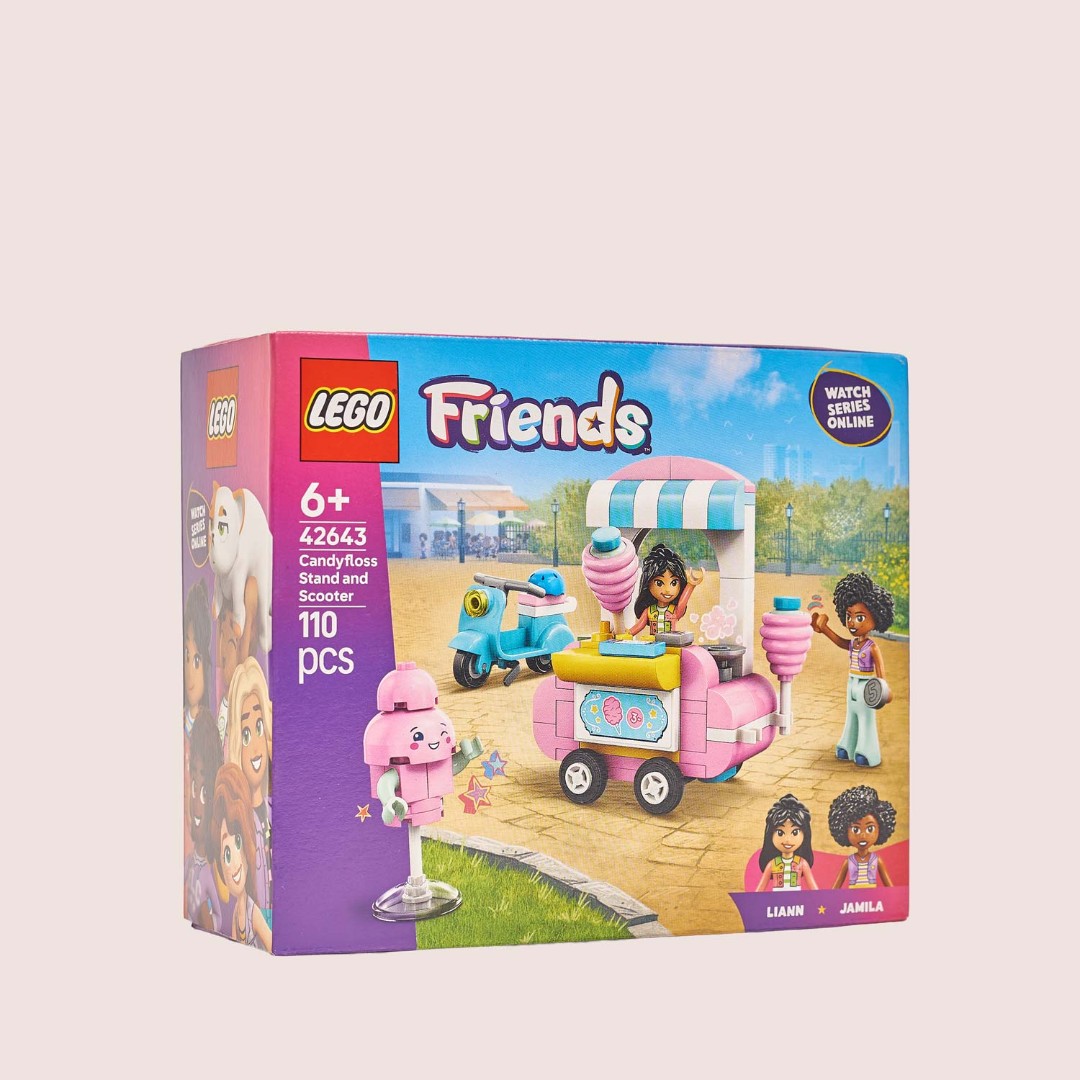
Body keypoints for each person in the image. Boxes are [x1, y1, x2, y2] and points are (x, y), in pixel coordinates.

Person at [811, 572, 895, 767]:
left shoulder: (872, 647)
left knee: (866, 718)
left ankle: (867, 751)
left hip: (867, 687)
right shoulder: (854, 644)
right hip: (851, 684)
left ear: (876, 617)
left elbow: (881, 673)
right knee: (852, 715)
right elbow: (840, 642)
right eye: (849, 617)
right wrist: (824, 629)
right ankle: (847, 745)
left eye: (860, 617)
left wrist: (884, 689)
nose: (852, 623)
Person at [211, 764, 272, 950]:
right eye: (227, 854)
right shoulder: (237, 911)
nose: (234, 864)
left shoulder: (253, 912)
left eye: (238, 842)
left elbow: (271, 943)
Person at [627, 543, 704, 637]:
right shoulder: (649, 610)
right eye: (659, 583)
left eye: (674, 583)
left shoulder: (674, 610)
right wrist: (625, 635)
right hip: (654, 644)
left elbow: (682, 603)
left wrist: (691, 585)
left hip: (670, 643)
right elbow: (639, 626)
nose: (667, 590)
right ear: (648, 583)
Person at [828, 785, 897, 889]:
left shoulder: (877, 860)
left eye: (870, 829)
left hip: (871, 897)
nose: (863, 835)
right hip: (853, 898)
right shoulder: (848, 862)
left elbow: (890, 888)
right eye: (856, 829)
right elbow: (835, 888)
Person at [755, 793, 819, 891]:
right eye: (780, 833)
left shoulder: (802, 863)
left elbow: (814, 890)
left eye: (795, 832)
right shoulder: (772, 864)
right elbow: (759, 890)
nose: (787, 840)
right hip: (777, 900)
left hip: (796, 900)